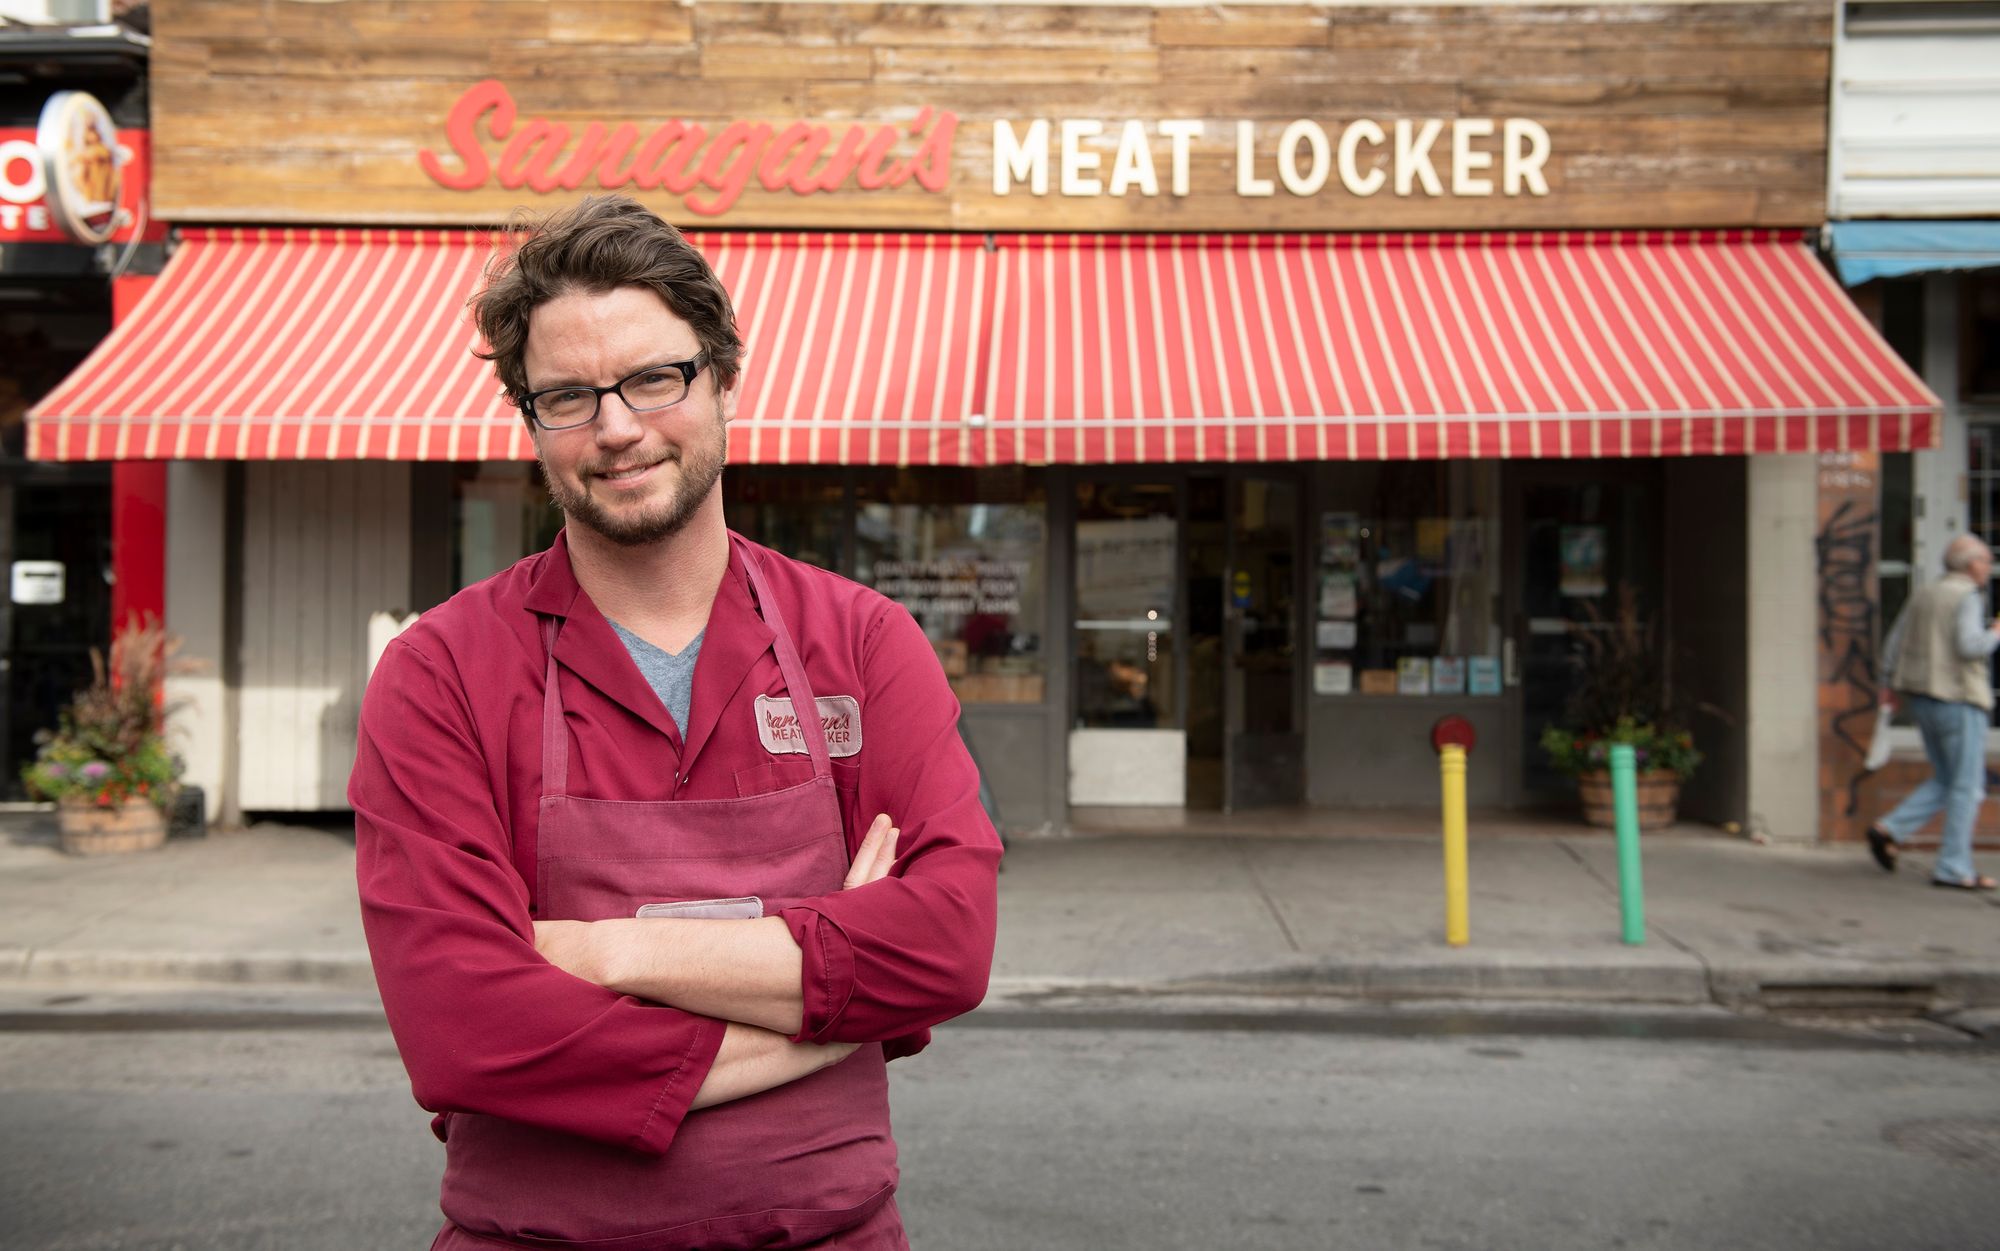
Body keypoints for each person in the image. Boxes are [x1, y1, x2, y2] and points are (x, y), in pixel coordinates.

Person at [349, 195, 1003, 1250]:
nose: (615, 427)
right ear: (529, 420)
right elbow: (464, 1030)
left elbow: (946, 948)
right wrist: (837, 1015)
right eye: (567, 395)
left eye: (655, 378)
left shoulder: (862, 643)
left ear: (723, 374)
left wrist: (599, 954)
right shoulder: (441, 675)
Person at [1868, 533, 2000, 891]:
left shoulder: (1926, 592)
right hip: (1958, 698)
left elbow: (1895, 641)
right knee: (1967, 787)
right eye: (1986, 561)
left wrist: (1888, 684)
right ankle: (1954, 867)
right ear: (1971, 565)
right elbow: (1970, 646)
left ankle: (1890, 828)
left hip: (1922, 698)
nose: (1989, 568)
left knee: (1946, 777)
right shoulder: (1967, 596)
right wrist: (1996, 633)